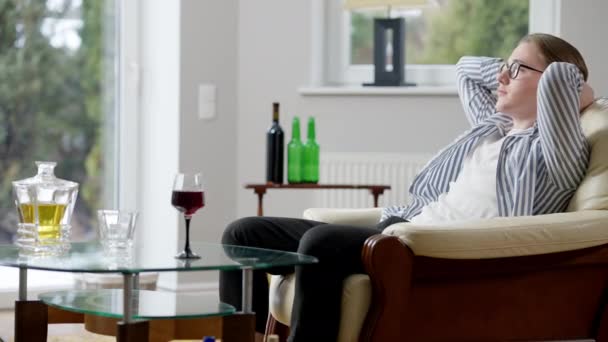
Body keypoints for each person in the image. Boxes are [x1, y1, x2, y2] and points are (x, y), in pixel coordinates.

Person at [220, 33, 595, 342]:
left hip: (441, 251)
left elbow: (563, 75)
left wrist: (572, 85)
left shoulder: (555, 150)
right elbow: (465, 68)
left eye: (516, 69)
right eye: (503, 67)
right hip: (400, 228)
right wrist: (516, 68)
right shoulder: (493, 126)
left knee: (319, 245)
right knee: (244, 234)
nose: (501, 77)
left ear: (554, 87)